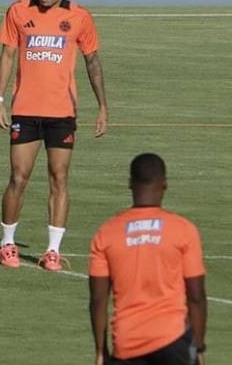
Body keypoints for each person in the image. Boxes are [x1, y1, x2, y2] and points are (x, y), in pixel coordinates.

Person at [0, 0, 108, 271]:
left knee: (59, 179)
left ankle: (53, 251)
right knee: (18, 178)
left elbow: (93, 62)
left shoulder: (80, 17)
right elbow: (7, 55)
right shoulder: (17, 11)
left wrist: (102, 106)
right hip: (26, 112)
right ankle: (7, 244)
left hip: (62, 113)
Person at [89, 153, 206, 365]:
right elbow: (196, 296)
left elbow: (98, 300)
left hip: (127, 342)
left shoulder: (106, 233)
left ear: (130, 184)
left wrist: (100, 350)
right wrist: (198, 346)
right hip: (174, 340)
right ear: (165, 185)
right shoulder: (184, 230)